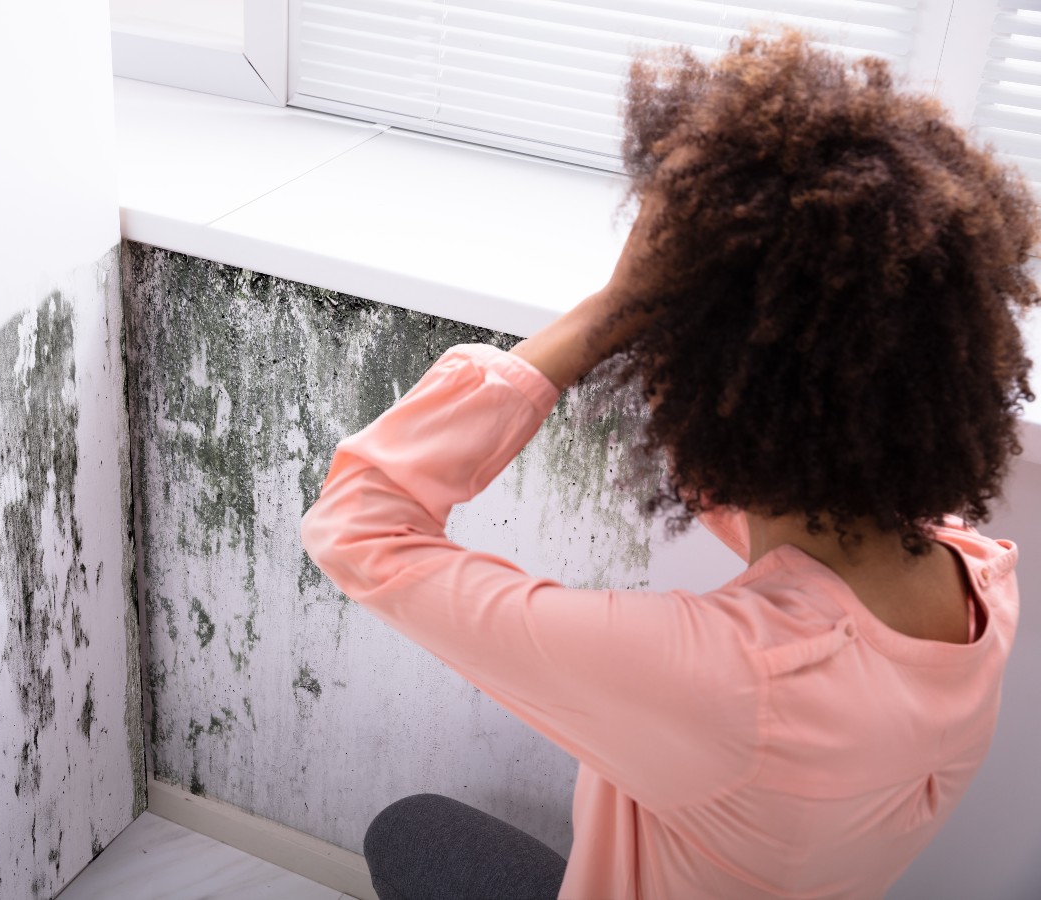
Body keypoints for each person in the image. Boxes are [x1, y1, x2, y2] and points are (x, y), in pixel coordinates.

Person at [300, 28, 1038, 899]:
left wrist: (612, 312)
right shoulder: (981, 583)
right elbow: (748, 492)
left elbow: (356, 526)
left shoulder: (726, 682)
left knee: (409, 828)